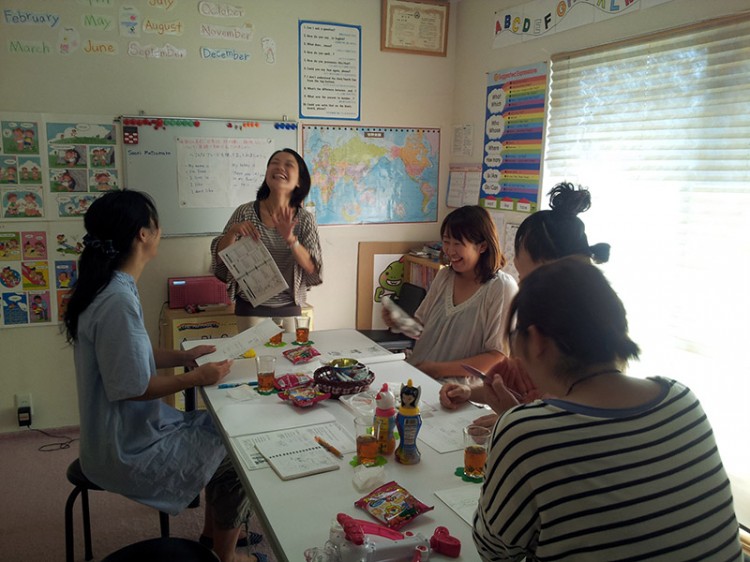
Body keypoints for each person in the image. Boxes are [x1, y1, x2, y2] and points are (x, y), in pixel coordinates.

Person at [473, 257, 743, 561]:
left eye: (515, 336)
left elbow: (494, 552)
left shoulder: (524, 433)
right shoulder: (683, 400)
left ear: (535, 340)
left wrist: (510, 424)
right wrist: (521, 420)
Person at [63, 190, 264, 562]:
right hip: (125, 450)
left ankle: (211, 536)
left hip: (114, 437)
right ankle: (227, 556)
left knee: (219, 431)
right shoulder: (117, 300)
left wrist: (183, 356)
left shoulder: (109, 286)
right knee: (237, 453)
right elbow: (132, 387)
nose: (159, 231)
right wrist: (196, 377)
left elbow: (128, 357)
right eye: (155, 224)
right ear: (143, 234)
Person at [440, 183, 610, 422]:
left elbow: (563, 423)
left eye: (523, 276)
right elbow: (517, 386)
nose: (521, 287)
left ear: (549, 269)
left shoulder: (574, 331)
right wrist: (470, 392)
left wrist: (511, 419)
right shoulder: (557, 316)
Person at [383, 205, 518, 382]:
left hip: (460, 392)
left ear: (482, 246)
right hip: (420, 376)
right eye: (446, 242)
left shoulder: (501, 287)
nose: (450, 251)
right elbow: (421, 329)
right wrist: (399, 321)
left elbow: (497, 357)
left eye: (458, 244)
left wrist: (437, 370)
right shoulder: (445, 276)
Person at [211, 148, 322, 333]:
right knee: (253, 360)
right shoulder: (244, 212)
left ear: (299, 181)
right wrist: (232, 232)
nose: (279, 167)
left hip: (289, 309)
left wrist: (291, 239)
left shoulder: (304, 220)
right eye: (274, 163)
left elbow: (312, 268)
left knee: (290, 360)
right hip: (249, 308)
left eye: (288, 165)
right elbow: (220, 258)